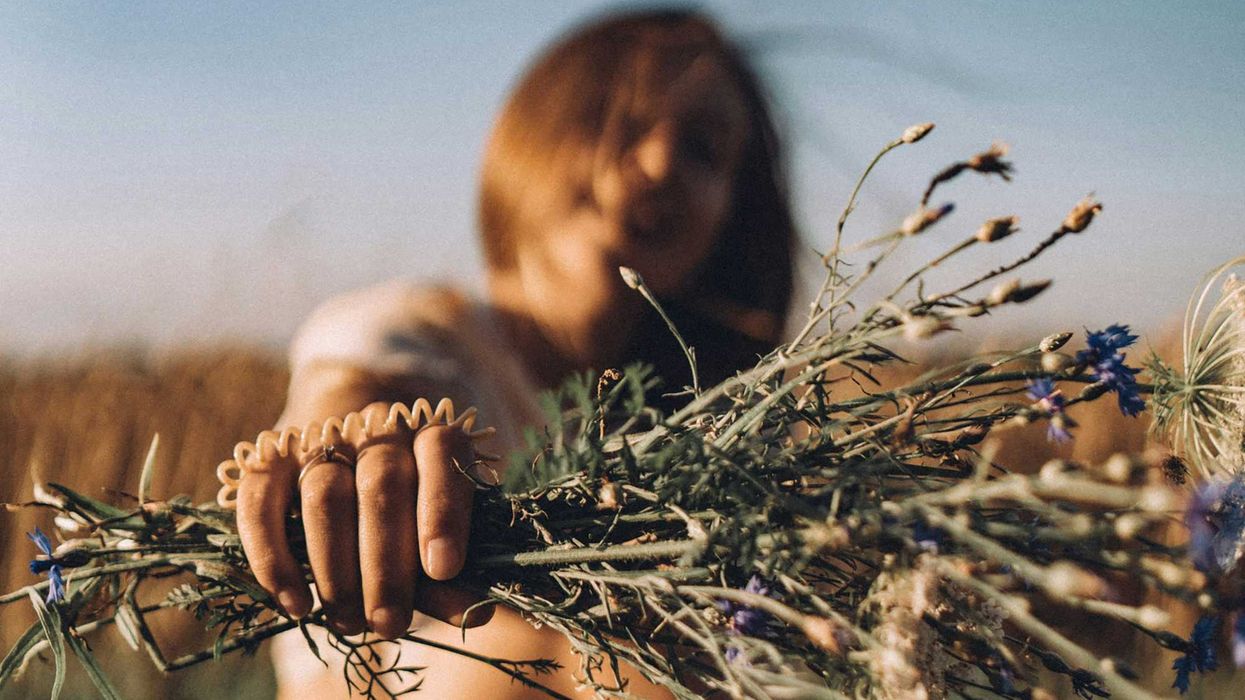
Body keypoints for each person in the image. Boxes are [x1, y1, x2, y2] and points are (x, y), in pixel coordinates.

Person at [238, 9, 798, 698]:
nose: (659, 164)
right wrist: (358, 443)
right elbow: (359, 385)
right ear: (532, 131)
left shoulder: (701, 421)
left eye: (703, 151)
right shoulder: (419, 328)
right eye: (621, 117)